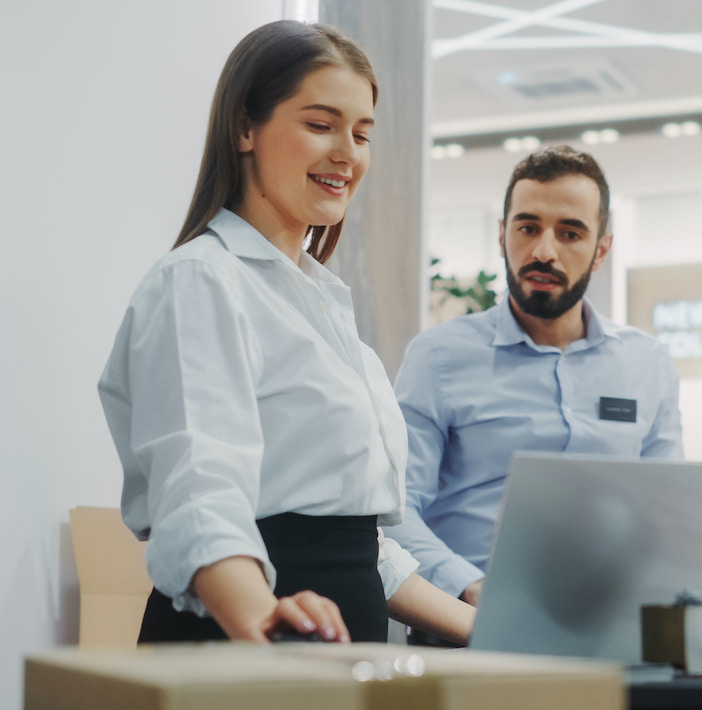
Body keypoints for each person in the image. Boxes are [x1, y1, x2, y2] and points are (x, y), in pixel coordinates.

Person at [98, 21, 475, 644]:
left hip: (331, 647)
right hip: (246, 642)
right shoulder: (201, 281)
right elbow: (198, 494)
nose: (348, 154)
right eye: (320, 124)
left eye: (361, 133)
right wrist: (258, 614)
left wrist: (486, 627)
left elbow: (358, 550)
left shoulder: (325, 310)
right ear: (245, 127)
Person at [387, 146, 684, 610]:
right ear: (502, 235)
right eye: (528, 228)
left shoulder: (647, 363)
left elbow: (668, 514)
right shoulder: (439, 358)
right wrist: (470, 588)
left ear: (601, 250)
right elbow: (396, 509)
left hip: (608, 619)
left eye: (570, 233)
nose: (544, 251)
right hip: (470, 626)